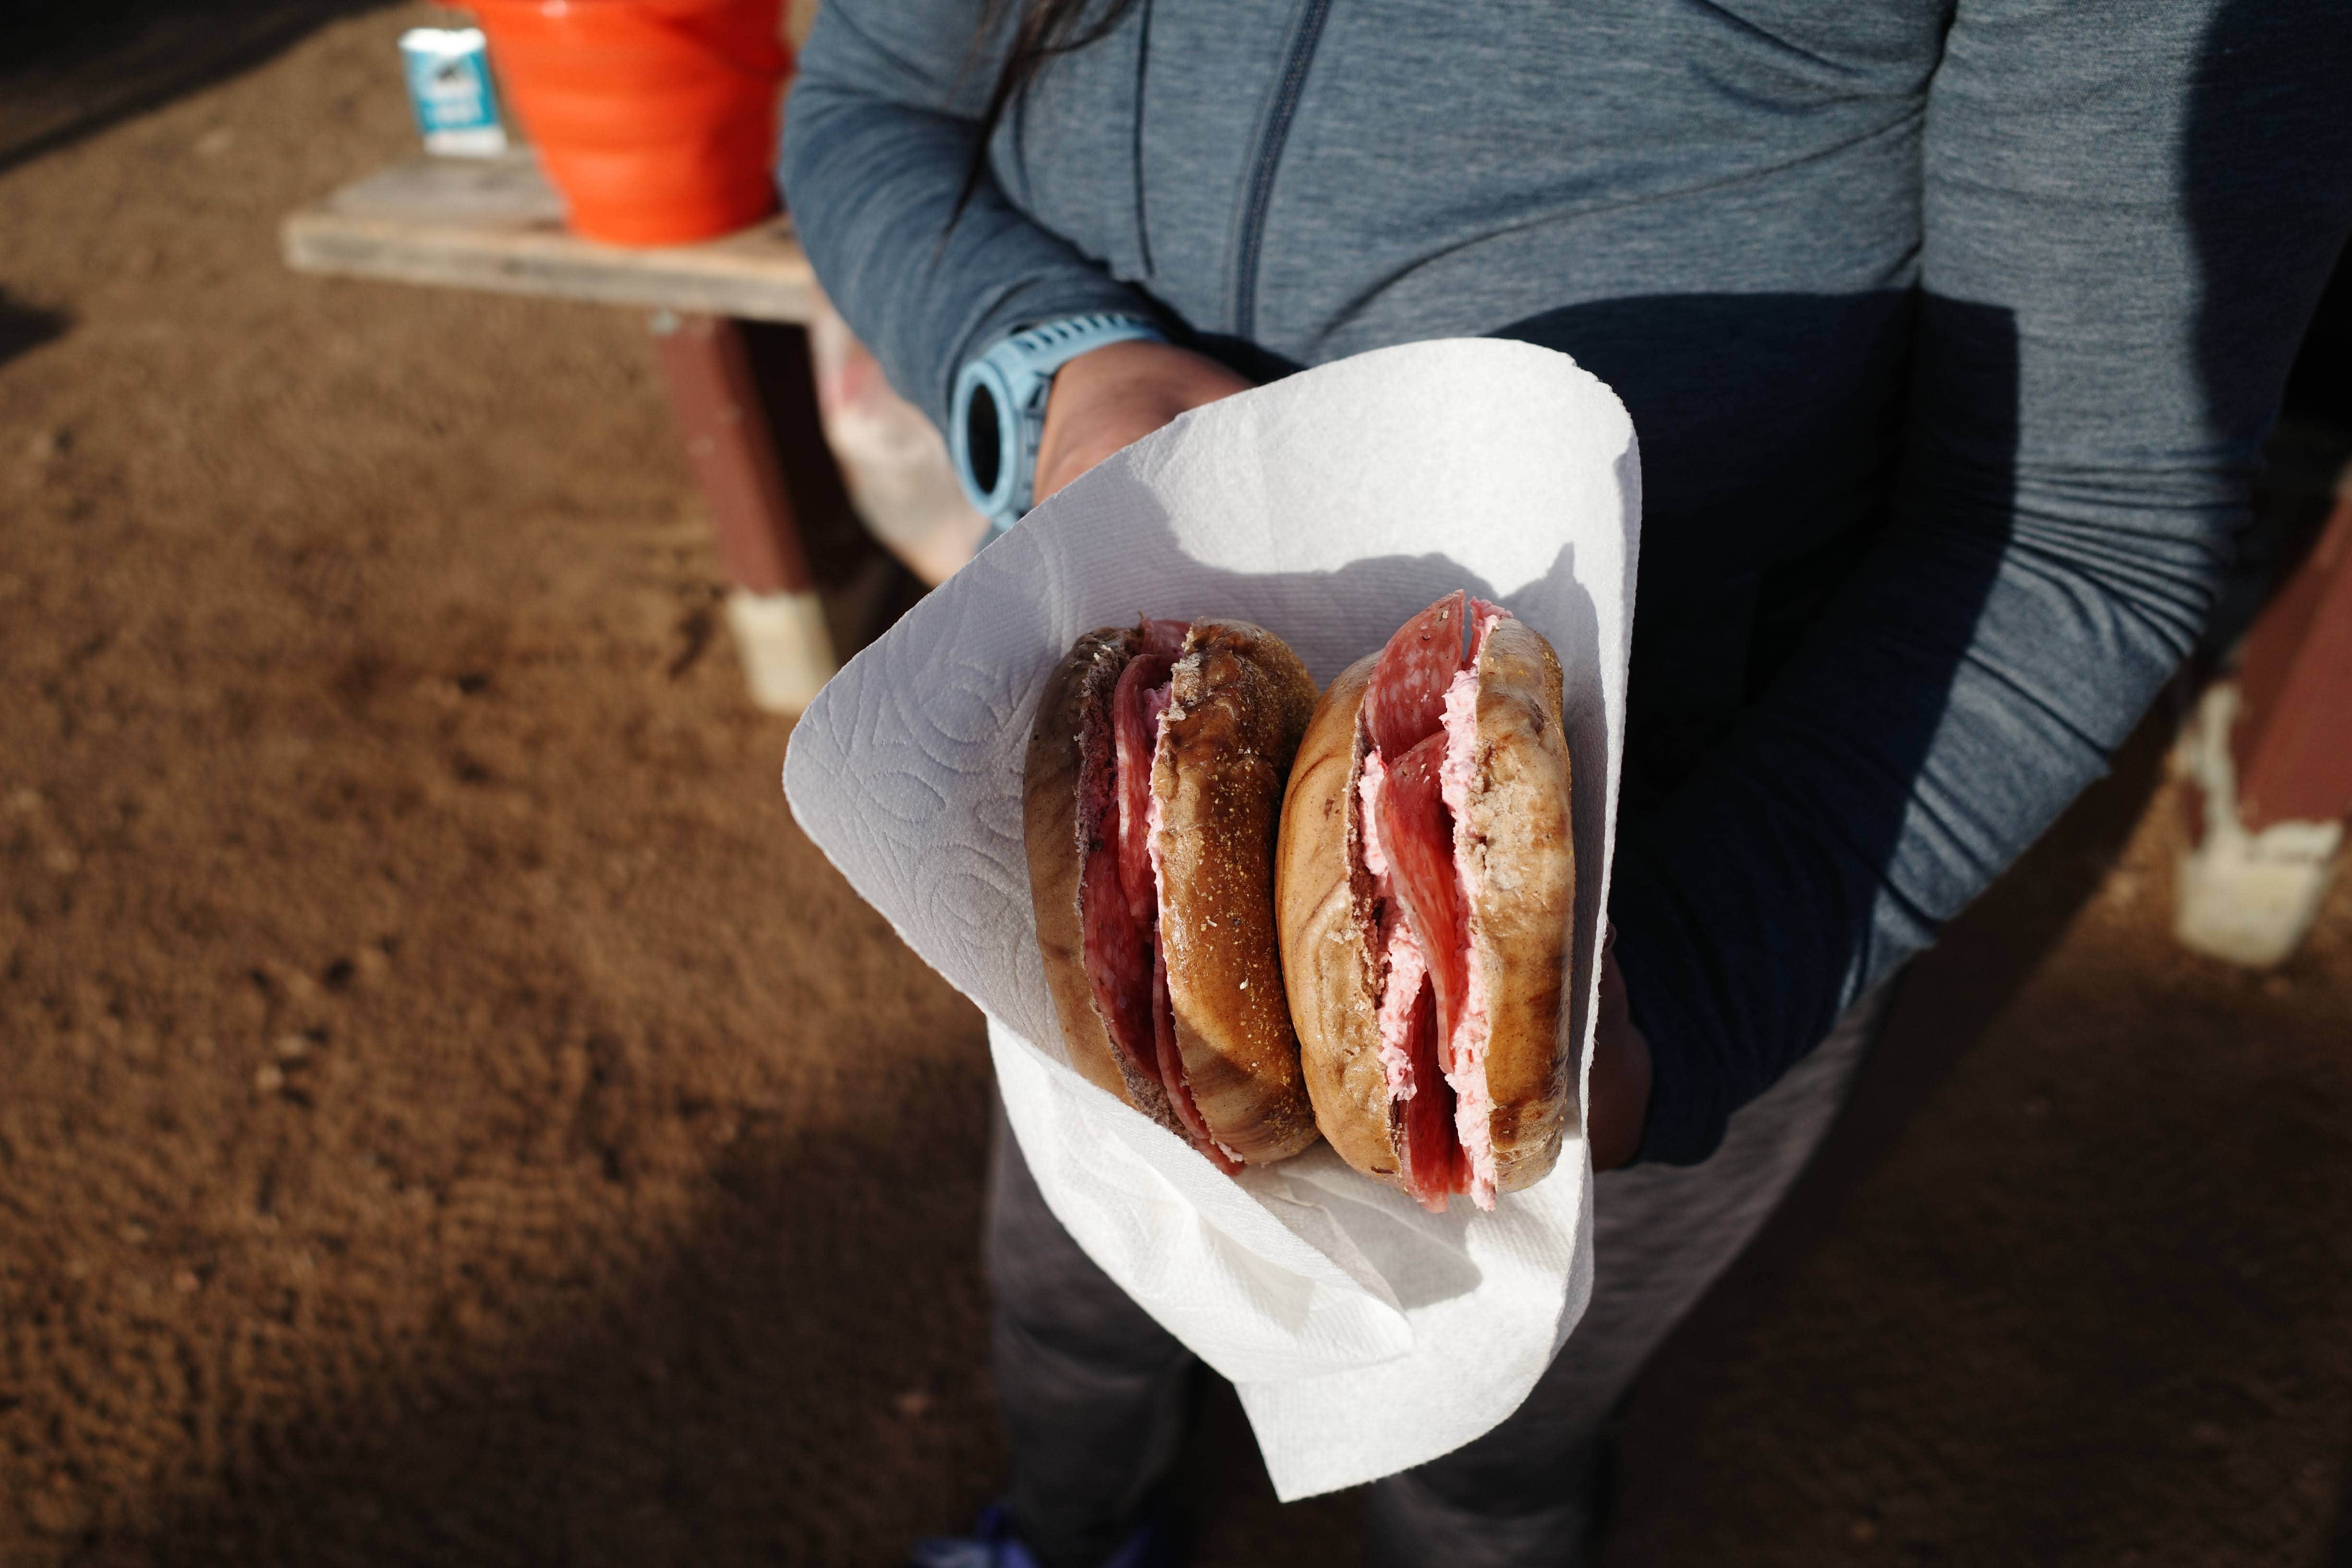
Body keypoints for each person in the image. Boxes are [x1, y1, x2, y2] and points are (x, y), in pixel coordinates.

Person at [778, 2, 2351, 1564]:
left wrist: (1694, 990)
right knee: (1069, 1309)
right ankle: (1066, 1533)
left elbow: (2076, 530)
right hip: (1119, 873)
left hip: (1681, 883)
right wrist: (1058, 361)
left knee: (1493, 1456)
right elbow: (862, 112)